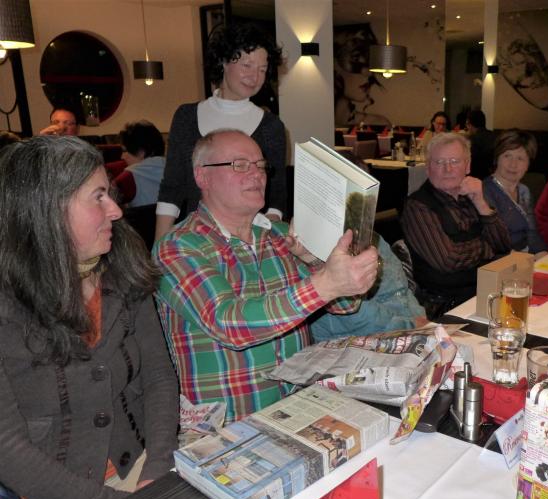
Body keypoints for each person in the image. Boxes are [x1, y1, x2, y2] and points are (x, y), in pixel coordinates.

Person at [0, 136, 178, 499]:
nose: (116, 210)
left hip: (144, 465)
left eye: (110, 193)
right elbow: (7, 449)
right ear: (47, 210)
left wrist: (158, 469)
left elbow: (158, 375)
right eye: (98, 197)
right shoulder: (7, 303)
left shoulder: (122, 260)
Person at [154, 130, 379, 423]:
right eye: (240, 165)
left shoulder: (280, 234)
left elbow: (346, 304)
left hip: (299, 408)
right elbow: (228, 323)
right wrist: (326, 283)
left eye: (261, 165)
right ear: (202, 176)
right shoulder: (177, 247)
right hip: (228, 424)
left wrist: (314, 262)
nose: (257, 174)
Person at [155, 23, 287, 243]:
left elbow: (276, 196)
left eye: (262, 70)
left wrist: (264, 241)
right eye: (247, 65)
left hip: (249, 238)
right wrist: (159, 244)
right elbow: (173, 187)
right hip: (196, 238)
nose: (254, 76)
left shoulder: (271, 126)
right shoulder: (187, 117)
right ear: (224, 62)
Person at [400, 132, 512, 318]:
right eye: (439, 162)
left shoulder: (472, 196)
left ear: (467, 166)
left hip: (484, 293)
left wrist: (481, 203)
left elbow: (504, 245)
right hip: (445, 307)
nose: (448, 169)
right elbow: (448, 259)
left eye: (455, 161)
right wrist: (487, 246)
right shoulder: (418, 206)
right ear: (428, 168)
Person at [308, 235, 426, 342]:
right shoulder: (317, 256)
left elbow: (401, 289)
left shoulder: (371, 237)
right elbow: (363, 322)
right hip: (355, 343)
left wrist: (420, 317)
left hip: (402, 329)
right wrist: (415, 325)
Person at [483, 129, 547, 253]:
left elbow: (532, 233)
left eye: (520, 158)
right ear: (497, 158)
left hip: (525, 257)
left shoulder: (524, 191)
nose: (513, 164)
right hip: (501, 259)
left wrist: (543, 254)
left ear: (528, 164)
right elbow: (495, 241)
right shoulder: (485, 191)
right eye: (507, 156)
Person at [333, 24, 390, 127]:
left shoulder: (377, 124)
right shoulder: (315, 121)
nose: (368, 72)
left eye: (370, 62)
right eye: (356, 59)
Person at [113, 120, 166, 207]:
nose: (122, 156)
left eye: (124, 151)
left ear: (141, 152)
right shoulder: (175, 168)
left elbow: (103, 199)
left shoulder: (130, 176)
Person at [465, 109, 495, 179]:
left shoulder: (472, 140)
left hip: (476, 177)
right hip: (493, 177)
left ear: (469, 124)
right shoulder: (494, 136)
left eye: (467, 124)